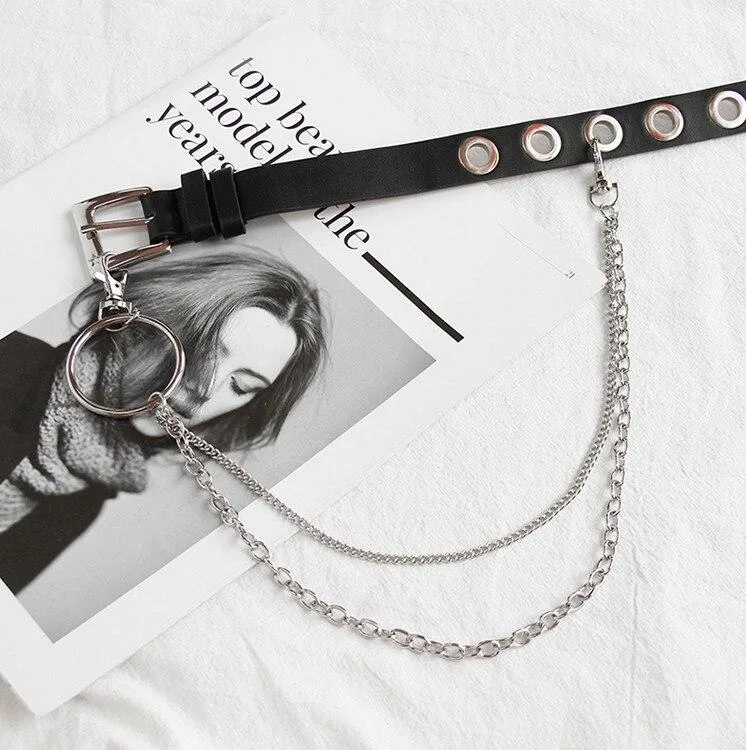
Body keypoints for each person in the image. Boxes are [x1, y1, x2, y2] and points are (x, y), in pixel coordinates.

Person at [0, 248, 326, 594]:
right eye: (205, 351)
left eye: (240, 386)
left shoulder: (85, 500)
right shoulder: (10, 360)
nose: (205, 389)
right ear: (148, 320)